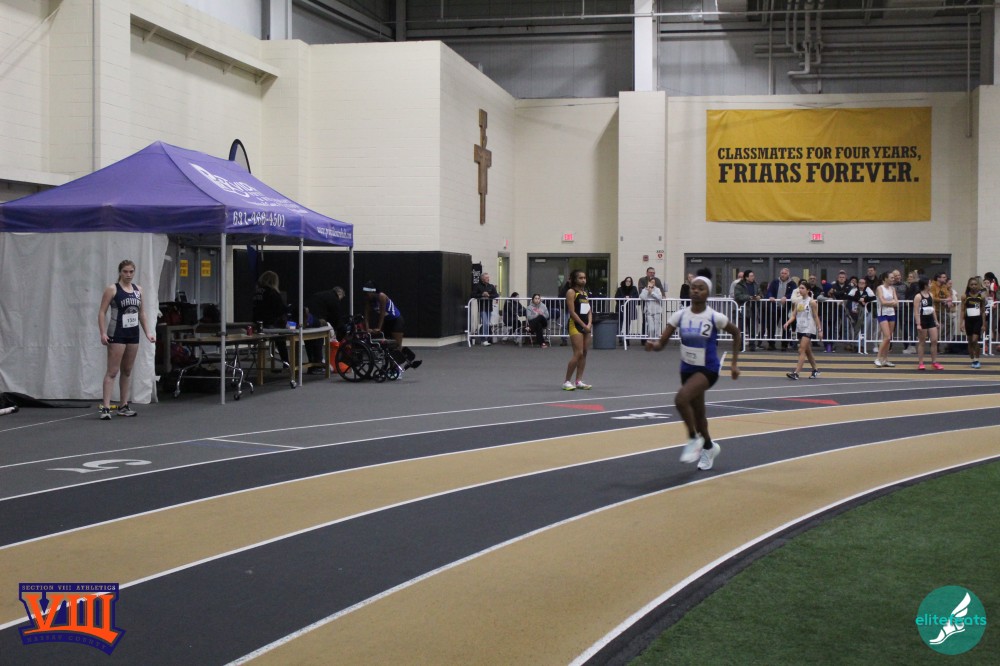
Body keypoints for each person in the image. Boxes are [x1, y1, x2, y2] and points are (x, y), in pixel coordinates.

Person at [645, 269, 741, 471]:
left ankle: (692, 439)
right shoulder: (680, 315)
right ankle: (709, 447)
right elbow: (662, 343)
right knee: (698, 415)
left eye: (701, 288)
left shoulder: (714, 317)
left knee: (681, 399)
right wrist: (654, 345)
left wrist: (733, 363)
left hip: (708, 369)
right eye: (693, 288)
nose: (696, 291)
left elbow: (736, 333)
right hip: (687, 369)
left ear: (708, 293)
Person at [97, 260, 156, 419]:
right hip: (117, 333)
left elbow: (141, 313)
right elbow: (102, 312)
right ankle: (106, 408)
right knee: (112, 371)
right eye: (125, 271)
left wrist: (148, 332)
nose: (128, 275)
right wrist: (103, 333)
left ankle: (123, 405)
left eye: (131, 272)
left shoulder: (138, 290)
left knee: (127, 370)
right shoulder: (112, 289)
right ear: (120, 272)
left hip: (133, 333)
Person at [783, 282, 822, 380]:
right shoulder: (798, 302)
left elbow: (816, 316)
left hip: (809, 328)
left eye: (803, 288)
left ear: (808, 290)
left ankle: (796, 373)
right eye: (799, 288)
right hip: (800, 327)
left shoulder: (812, 302)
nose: (800, 290)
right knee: (807, 351)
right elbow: (793, 315)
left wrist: (820, 330)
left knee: (801, 349)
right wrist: (787, 323)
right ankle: (815, 370)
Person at [562, 269, 593, 390]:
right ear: (575, 279)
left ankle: (579, 380)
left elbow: (589, 310)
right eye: (580, 278)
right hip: (575, 325)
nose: (583, 280)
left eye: (584, 278)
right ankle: (566, 381)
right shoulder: (571, 292)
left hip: (586, 325)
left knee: (584, 352)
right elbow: (572, 312)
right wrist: (583, 325)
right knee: (578, 353)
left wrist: (589, 324)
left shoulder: (584, 293)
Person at [253, 270, 290, 367]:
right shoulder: (272, 292)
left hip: (257, 323)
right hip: (269, 323)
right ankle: (286, 363)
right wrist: (288, 309)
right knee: (281, 338)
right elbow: (280, 309)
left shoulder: (257, 292)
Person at [913, 278, 943, 371]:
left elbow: (932, 308)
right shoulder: (918, 296)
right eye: (930, 283)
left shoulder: (931, 295)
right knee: (922, 342)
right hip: (922, 320)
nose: (931, 285)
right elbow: (916, 311)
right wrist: (918, 323)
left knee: (934, 340)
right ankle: (921, 363)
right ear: (925, 285)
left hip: (930, 320)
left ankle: (934, 362)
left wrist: (936, 321)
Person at [362, 280, 404, 347]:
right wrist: (367, 329)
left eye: (367, 293)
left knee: (397, 345)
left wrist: (379, 328)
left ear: (373, 292)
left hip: (396, 320)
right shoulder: (368, 299)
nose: (366, 295)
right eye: (365, 293)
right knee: (386, 345)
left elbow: (382, 314)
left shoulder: (382, 296)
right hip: (387, 321)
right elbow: (366, 316)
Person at [765, 268, 797, 350]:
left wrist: (786, 297)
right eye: (782, 273)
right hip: (775, 307)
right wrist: (770, 296)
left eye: (785, 273)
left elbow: (794, 293)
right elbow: (769, 291)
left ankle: (784, 344)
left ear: (788, 274)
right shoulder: (775, 282)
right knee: (771, 326)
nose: (783, 275)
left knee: (786, 326)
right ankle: (771, 344)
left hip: (786, 308)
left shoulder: (792, 283)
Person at [732, 269, 762, 350]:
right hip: (742, 309)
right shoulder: (739, 285)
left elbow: (760, 293)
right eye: (751, 276)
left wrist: (759, 296)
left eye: (753, 275)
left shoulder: (756, 284)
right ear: (746, 277)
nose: (753, 277)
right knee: (741, 329)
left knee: (752, 328)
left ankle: (752, 345)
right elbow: (738, 296)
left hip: (753, 309)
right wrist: (749, 297)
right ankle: (740, 345)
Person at [874, 271, 898, 367]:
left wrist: (890, 303)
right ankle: (878, 358)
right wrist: (892, 302)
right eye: (891, 277)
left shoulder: (892, 289)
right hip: (882, 314)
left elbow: (897, 302)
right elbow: (882, 302)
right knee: (886, 337)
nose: (893, 279)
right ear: (885, 279)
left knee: (889, 338)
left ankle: (885, 359)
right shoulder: (880, 288)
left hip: (891, 313)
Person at [960, 277, 985, 368]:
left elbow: (983, 311)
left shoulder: (981, 297)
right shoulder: (965, 296)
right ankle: (972, 359)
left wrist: (984, 324)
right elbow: (962, 310)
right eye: (972, 284)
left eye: (975, 284)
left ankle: (977, 359)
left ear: (978, 285)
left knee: (975, 340)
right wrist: (961, 323)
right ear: (969, 286)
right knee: (970, 341)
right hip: (968, 320)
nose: (973, 286)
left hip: (978, 320)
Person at [472, 272, 499, 345]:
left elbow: (496, 295)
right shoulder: (478, 286)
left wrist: (489, 295)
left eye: (488, 277)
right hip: (482, 308)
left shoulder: (491, 286)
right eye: (486, 278)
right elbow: (473, 294)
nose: (488, 279)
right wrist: (482, 294)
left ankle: (485, 338)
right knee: (485, 323)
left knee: (486, 324)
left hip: (489, 308)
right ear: (482, 279)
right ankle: (484, 339)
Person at [637, 267, 665, 337]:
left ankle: (655, 339)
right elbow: (641, 295)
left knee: (657, 326)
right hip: (647, 306)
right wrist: (647, 290)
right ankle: (645, 338)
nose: (652, 274)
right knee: (647, 323)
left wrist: (654, 293)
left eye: (653, 273)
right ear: (647, 273)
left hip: (656, 307)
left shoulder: (657, 281)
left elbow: (661, 292)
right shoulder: (642, 280)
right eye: (650, 272)